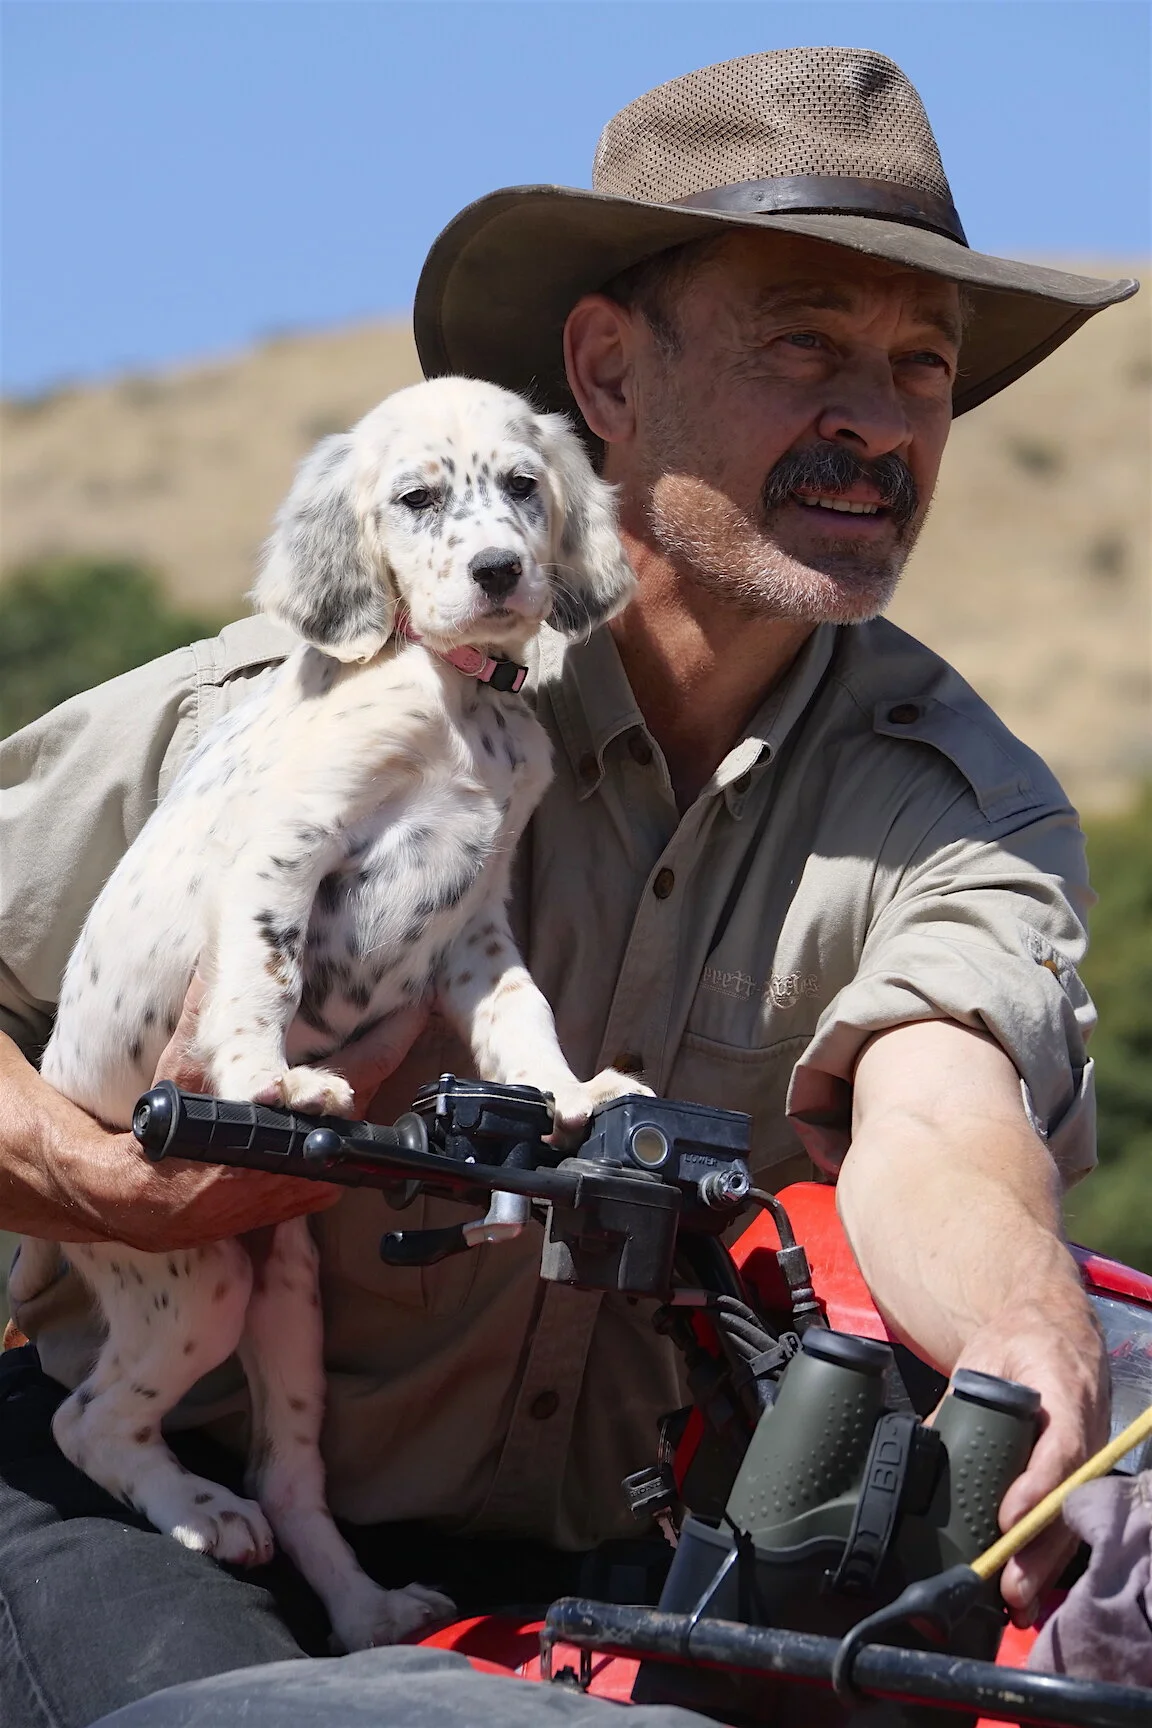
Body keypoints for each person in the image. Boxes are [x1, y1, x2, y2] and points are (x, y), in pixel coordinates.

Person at [0, 46, 1138, 1728]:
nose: (880, 421)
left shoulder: (965, 804)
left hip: (595, 1582)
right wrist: (104, 1183)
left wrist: (1030, 1344)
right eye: (805, 343)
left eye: (921, 368)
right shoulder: (294, 707)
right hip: (135, 1491)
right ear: (606, 372)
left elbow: (943, 1123)